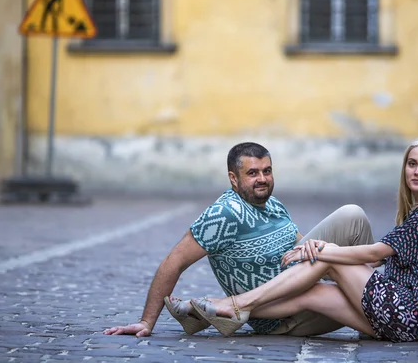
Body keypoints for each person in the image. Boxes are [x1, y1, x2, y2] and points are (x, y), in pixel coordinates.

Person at [182, 139, 418, 342]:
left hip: (409, 317)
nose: (417, 171)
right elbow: (385, 260)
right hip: (411, 322)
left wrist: (324, 250)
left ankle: (234, 303)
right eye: (412, 164)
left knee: (326, 257)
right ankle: (235, 313)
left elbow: (377, 253)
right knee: (313, 294)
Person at [103, 142, 377, 338]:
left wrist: (332, 260)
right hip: (282, 315)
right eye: (252, 173)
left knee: (352, 217)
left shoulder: (273, 204)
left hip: (299, 284)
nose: (263, 179)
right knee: (332, 279)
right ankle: (386, 313)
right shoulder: (223, 215)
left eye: (267, 171)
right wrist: (146, 321)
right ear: (233, 179)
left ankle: (384, 297)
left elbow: (303, 250)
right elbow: (173, 262)